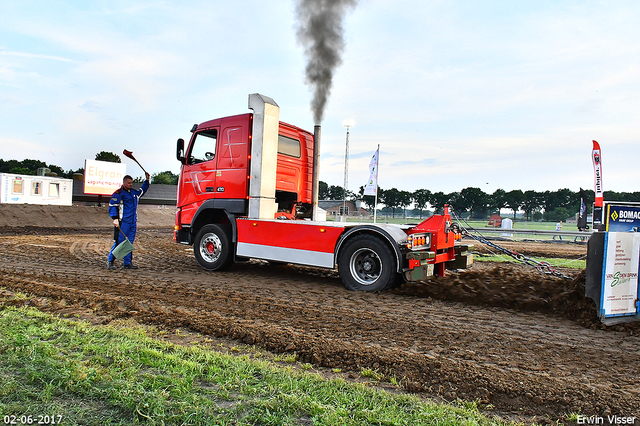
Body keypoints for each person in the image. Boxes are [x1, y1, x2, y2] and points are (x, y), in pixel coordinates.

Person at [107, 173, 150, 269]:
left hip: (132, 221)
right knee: (119, 242)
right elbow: (112, 206)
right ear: (124, 183)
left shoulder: (134, 193)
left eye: (131, 183)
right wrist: (115, 218)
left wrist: (147, 181)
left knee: (129, 243)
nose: (131, 184)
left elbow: (142, 191)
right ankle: (110, 261)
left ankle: (127, 263)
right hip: (123, 222)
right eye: (129, 183)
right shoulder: (118, 194)